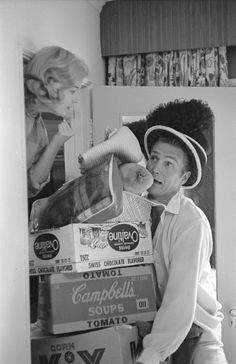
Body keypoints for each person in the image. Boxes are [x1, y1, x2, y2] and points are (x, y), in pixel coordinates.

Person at [135, 102, 228, 363]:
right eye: (154, 157)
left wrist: (150, 356)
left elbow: (179, 297)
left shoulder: (191, 223)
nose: (156, 168)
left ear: (185, 177)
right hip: (160, 336)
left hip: (198, 342)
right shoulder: (138, 210)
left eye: (168, 164)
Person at [25, 45, 89, 322]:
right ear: (51, 84)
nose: (75, 100)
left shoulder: (38, 126)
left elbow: (32, 184)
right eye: (73, 91)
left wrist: (56, 143)